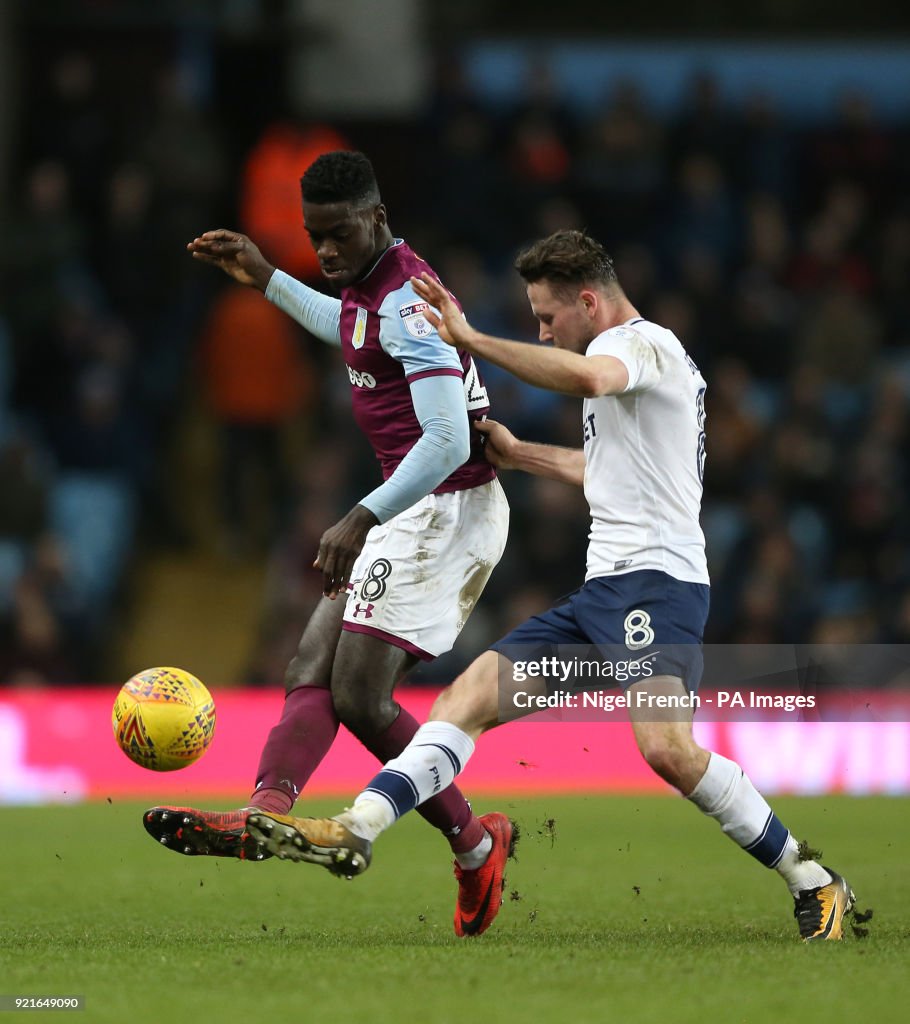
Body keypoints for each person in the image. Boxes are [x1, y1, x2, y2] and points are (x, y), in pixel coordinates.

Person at [243, 229, 856, 942]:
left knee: (667, 751)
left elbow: (591, 379)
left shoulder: (639, 346)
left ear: (589, 302)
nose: (543, 331)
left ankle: (814, 879)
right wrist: (524, 453)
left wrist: (471, 337)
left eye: (546, 316)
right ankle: (357, 826)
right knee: (465, 698)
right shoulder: (633, 368)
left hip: (657, 588)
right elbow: (609, 475)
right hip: (603, 595)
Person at [142, 151, 513, 938]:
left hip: (446, 510)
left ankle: (478, 844)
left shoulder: (410, 302)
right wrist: (270, 276)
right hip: (409, 510)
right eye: (316, 237)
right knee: (310, 666)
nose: (328, 252)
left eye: (339, 234)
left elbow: (448, 440)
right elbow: (347, 328)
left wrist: (362, 515)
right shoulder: (368, 292)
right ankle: (265, 812)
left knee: (359, 696)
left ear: (376, 218)